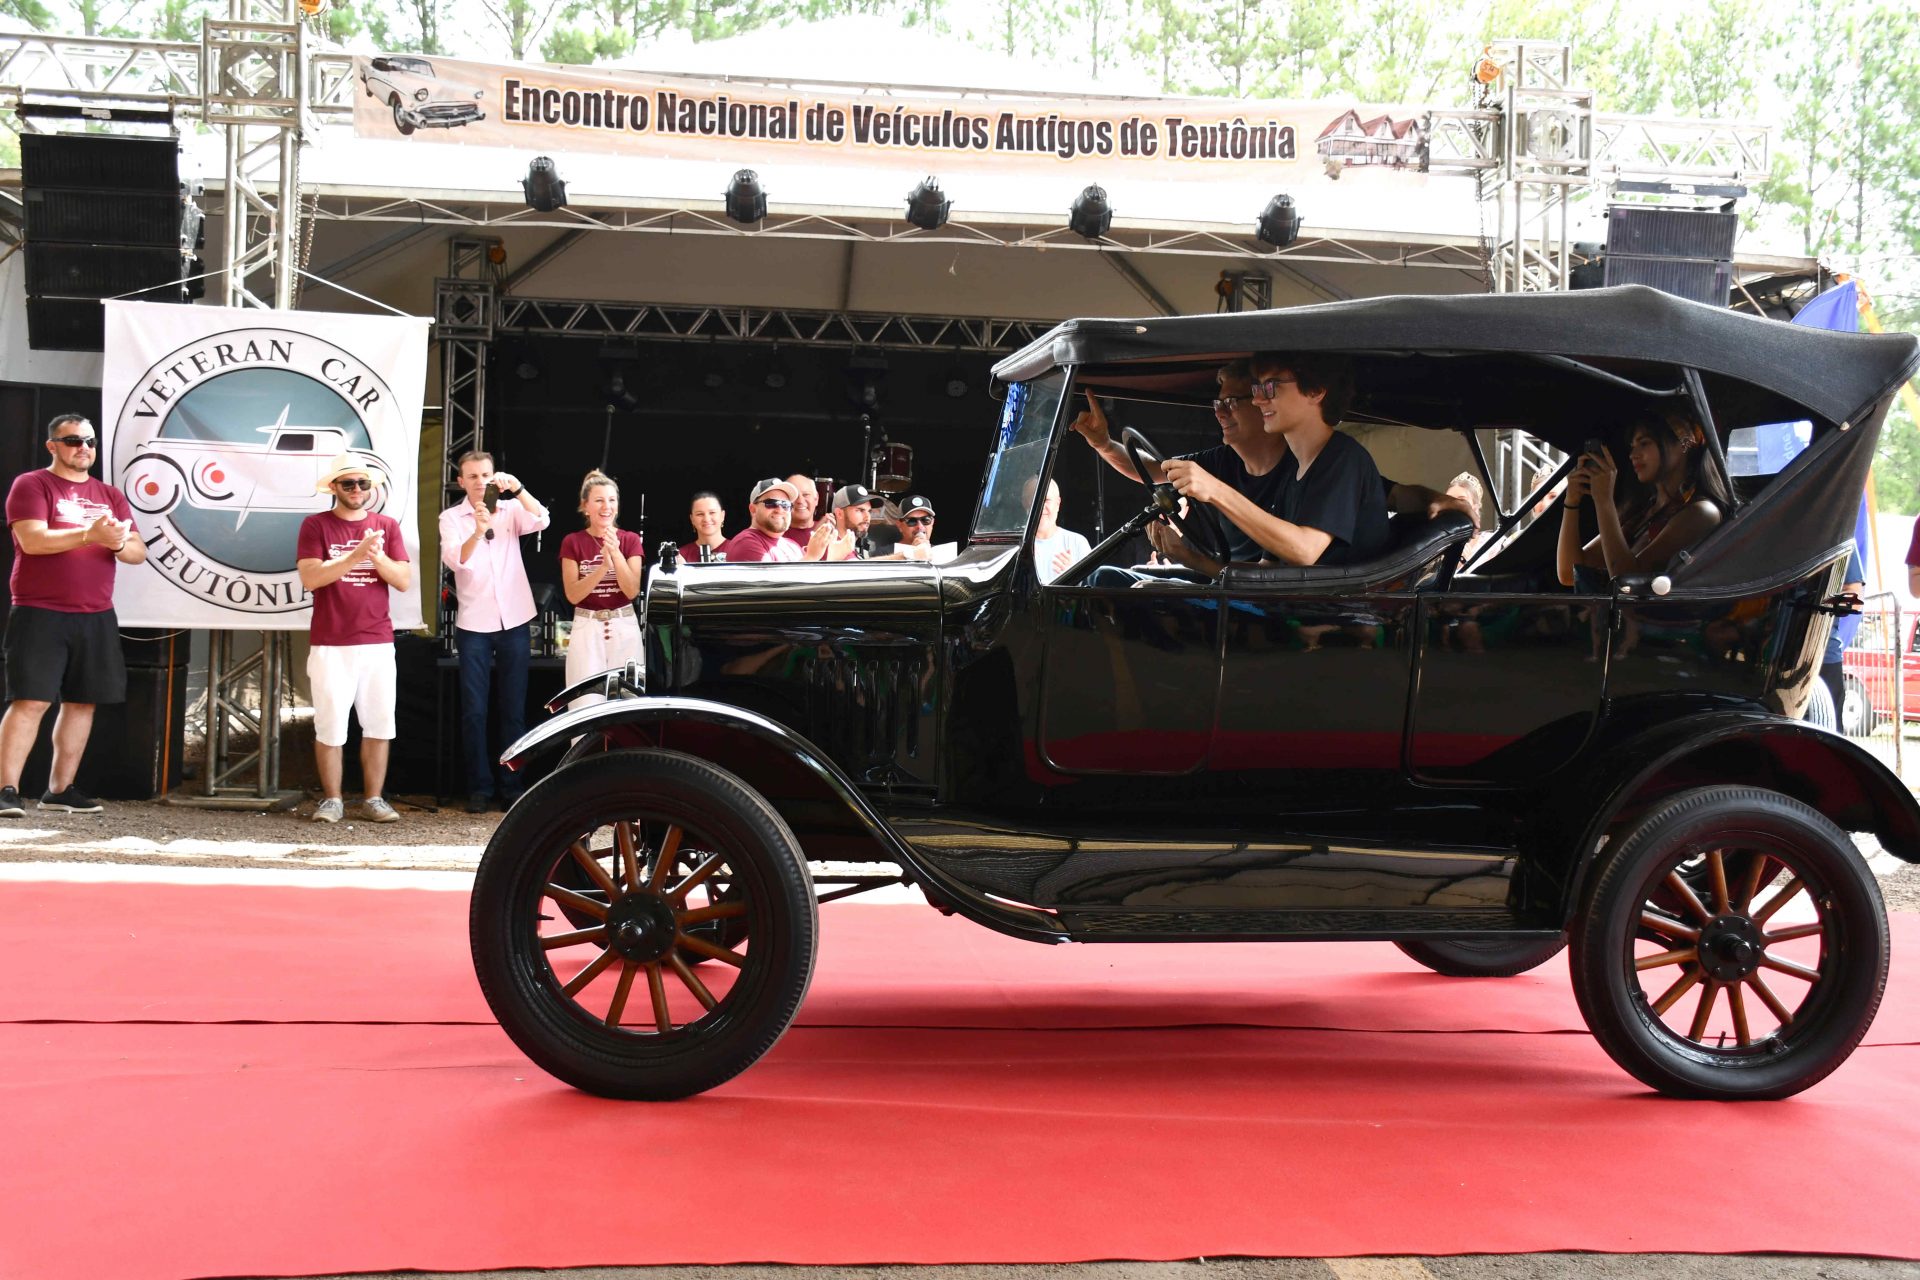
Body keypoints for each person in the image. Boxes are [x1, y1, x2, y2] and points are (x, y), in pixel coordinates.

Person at [0, 413, 147, 817]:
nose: (84, 448)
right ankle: (6, 790)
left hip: (95, 613)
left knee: (83, 702)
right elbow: (32, 541)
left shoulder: (109, 494)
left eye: (90, 441)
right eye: (73, 441)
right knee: (31, 700)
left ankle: (60, 790)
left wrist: (116, 543)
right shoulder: (32, 484)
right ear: (52, 446)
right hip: (39, 610)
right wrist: (89, 534)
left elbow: (137, 552)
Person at [1161, 352, 1389, 569]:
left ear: (1316, 391)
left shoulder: (1343, 456)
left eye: (1271, 387)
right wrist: (1188, 557)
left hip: (1341, 599)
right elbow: (1267, 571)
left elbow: (1304, 551)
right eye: (1257, 388)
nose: (1257, 400)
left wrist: (1215, 490)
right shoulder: (1294, 473)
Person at [297, 453, 411, 824]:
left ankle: (373, 799)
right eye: (349, 483)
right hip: (330, 642)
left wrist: (376, 558)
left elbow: (403, 580)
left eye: (363, 483)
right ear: (334, 487)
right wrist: (356, 554)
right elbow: (311, 578)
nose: (357, 489)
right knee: (330, 726)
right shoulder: (316, 525)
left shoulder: (386, 526)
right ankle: (333, 800)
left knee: (380, 724)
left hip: (377, 640)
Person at [438, 450, 549, 813]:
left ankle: (512, 786)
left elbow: (543, 519)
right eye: (472, 476)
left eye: (485, 475)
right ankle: (479, 788)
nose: (480, 482)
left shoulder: (511, 509)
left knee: (513, 708)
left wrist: (518, 489)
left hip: (514, 619)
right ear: (461, 481)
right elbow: (456, 560)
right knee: (474, 710)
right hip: (474, 624)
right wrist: (476, 528)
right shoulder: (450, 518)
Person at [1557, 408, 1729, 589]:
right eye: (1632, 447)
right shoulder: (1643, 511)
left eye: (1644, 443)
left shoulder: (1701, 512)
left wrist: (1604, 501)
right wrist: (1572, 502)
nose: (1633, 455)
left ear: (1683, 445)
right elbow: (1569, 573)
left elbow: (1628, 582)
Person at [560, 469, 645, 708]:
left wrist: (615, 554)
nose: (606, 506)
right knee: (584, 705)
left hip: (623, 624)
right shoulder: (573, 541)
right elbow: (573, 594)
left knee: (627, 704)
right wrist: (602, 568)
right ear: (585, 506)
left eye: (611, 500)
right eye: (599, 500)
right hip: (587, 626)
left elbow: (631, 591)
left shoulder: (630, 540)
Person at [720, 477, 852, 563]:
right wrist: (811, 557)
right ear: (753, 509)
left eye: (786, 504)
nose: (779, 509)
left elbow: (813, 586)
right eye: (771, 503)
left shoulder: (792, 545)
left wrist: (833, 557)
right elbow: (773, 591)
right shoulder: (746, 542)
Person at [1028, 478, 1092, 584]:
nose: (1040, 507)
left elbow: (1089, 587)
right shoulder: (1015, 545)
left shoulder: (1077, 542)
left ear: (1058, 503)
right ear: (1025, 503)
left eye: (1046, 500)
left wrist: (1074, 576)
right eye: (1034, 501)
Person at [829, 483, 885, 557]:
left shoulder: (848, 548)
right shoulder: (829, 549)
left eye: (869, 511)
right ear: (839, 514)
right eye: (860, 510)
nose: (867, 517)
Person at [679, 490, 728, 563]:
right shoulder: (680, 555)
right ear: (692, 519)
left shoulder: (738, 550)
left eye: (712, 512)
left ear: (722, 515)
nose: (706, 519)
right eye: (700, 514)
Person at [780, 474, 821, 550]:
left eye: (805, 495)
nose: (800, 501)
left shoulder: (830, 532)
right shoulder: (775, 535)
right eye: (794, 496)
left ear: (816, 499)